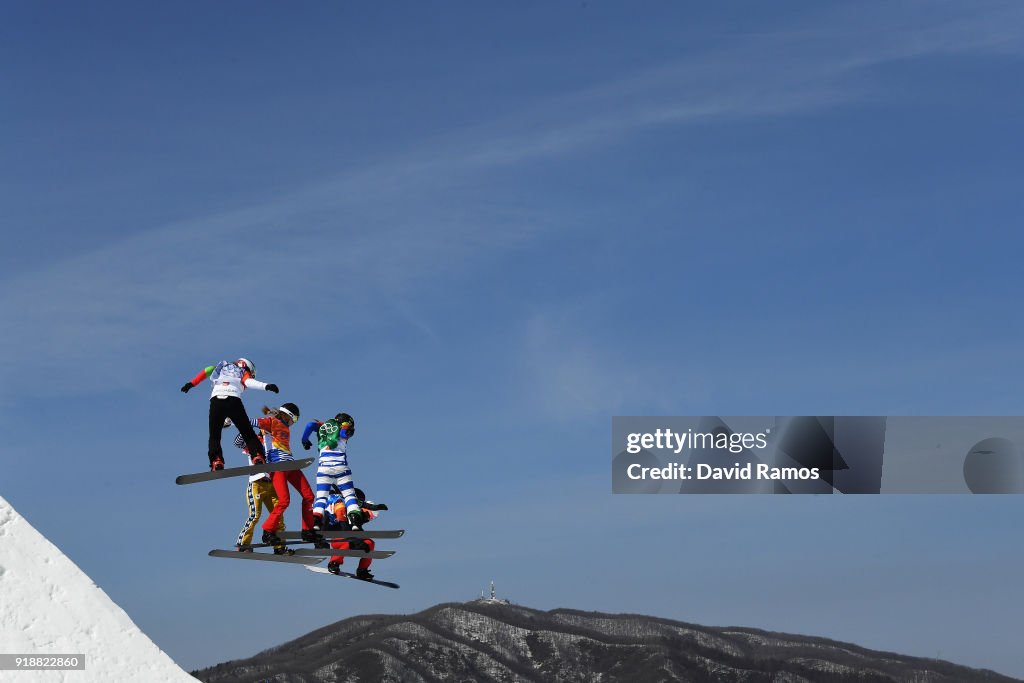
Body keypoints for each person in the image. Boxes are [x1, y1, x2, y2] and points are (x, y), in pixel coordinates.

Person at [180, 358, 279, 471]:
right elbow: (248, 382)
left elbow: (207, 370)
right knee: (247, 432)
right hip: (234, 400)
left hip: (216, 401)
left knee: (214, 435)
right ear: (247, 367)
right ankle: (257, 456)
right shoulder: (243, 372)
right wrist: (266, 386)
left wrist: (191, 383)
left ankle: (216, 461)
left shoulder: (221, 367)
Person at [256, 403, 324, 548]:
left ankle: (307, 530)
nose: (294, 423)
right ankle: (267, 531)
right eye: (296, 420)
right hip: (278, 466)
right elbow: (249, 422)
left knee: (309, 496)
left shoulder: (284, 426)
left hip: (291, 465)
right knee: (284, 501)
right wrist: (231, 419)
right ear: (290, 416)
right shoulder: (271, 422)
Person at [226, 419, 287, 554]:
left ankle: (279, 546)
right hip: (256, 483)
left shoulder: (274, 442)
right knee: (255, 515)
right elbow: (237, 443)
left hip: (271, 484)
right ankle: (243, 544)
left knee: (278, 515)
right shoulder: (254, 442)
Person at [300, 413, 363, 530]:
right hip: (341, 467)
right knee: (349, 495)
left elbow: (310, 425)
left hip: (324, 468)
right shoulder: (344, 427)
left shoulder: (324, 427)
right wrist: (347, 429)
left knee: (321, 497)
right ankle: (355, 521)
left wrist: (305, 440)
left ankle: (316, 522)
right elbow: (344, 434)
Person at [322, 487, 388, 580]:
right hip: (339, 538)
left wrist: (362, 543)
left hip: (353, 540)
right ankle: (334, 563)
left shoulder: (359, 519)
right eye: (369, 514)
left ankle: (362, 570)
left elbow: (358, 533)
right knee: (346, 543)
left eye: (372, 517)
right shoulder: (347, 511)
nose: (369, 518)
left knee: (370, 543)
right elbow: (345, 527)